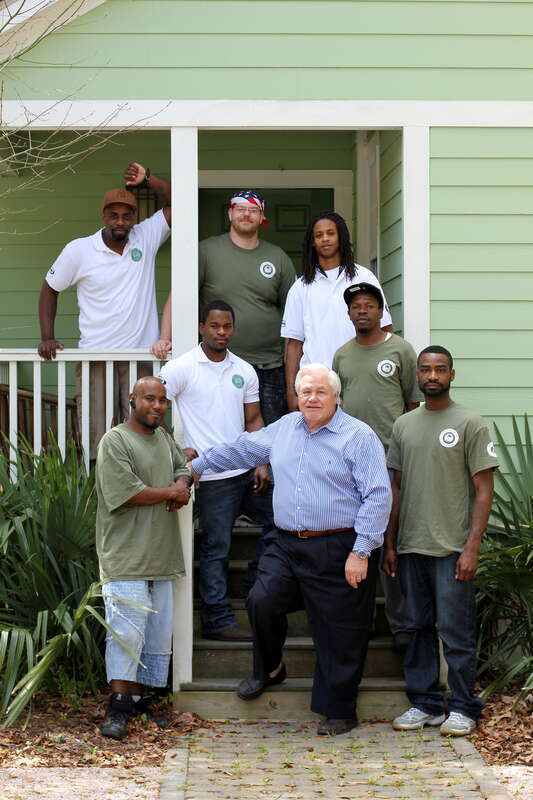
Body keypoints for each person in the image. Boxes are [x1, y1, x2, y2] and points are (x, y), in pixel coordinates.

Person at [191, 363, 392, 736]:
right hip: (285, 543)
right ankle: (270, 668)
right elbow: (242, 449)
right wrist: (196, 467)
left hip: (339, 544)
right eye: (306, 392)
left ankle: (340, 710)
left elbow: (378, 496)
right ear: (297, 396)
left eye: (320, 392)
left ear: (336, 397)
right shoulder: (285, 428)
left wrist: (361, 550)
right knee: (262, 600)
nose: (312, 398)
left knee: (338, 630)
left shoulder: (358, 436)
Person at [383, 346, 499, 736]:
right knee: (416, 629)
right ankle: (425, 704)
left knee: (456, 632)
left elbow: (484, 490)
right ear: (417, 375)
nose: (432, 376)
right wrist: (390, 543)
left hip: (452, 550)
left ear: (452, 374)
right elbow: (396, 488)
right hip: (411, 547)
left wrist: (472, 546)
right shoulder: (404, 425)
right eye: (426, 369)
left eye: (440, 369)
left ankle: (464, 707)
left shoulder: (470, 423)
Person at [158, 300, 276, 641]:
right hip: (210, 477)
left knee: (281, 520)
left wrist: (262, 461)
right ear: (202, 328)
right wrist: (174, 451)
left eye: (226, 326)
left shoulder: (245, 370)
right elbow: (151, 407)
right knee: (216, 548)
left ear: (233, 329)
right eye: (214, 326)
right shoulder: (181, 368)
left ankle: (254, 583)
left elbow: (254, 419)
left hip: (245, 469)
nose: (221, 332)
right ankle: (218, 620)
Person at [38, 162, 171, 459]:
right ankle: (97, 488)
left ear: (134, 217)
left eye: (127, 216)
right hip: (96, 357)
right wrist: (47, 336)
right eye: (114, 215)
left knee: (146, 438)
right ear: (103, 216)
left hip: (141, 357)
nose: (120, 222)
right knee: (97, 438)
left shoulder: (146, 236)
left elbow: (178, 202)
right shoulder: (79, 249)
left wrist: (148, 178)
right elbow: (49, 289)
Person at [96, 376, 192, 740]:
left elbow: (182, 468)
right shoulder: (115, 440)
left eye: (162, 400)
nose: (157, 406)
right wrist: (171, 492)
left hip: (160, 554)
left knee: (154, 635)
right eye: (149, 399)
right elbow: (127, 492)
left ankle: (137, 702)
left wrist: (182, 486)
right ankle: (118, 705)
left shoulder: (164, 438)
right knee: (125, 633)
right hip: (126, 556)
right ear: (132, 399)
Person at [152, 190, 296, 424]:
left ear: (262, 217)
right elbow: (179, 294)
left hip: (269, 366)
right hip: (218, 366)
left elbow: (294, 311)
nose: (246, 214)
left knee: (270, 435)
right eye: (241, 209)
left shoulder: (277, 257)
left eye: (253, 210)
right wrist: (164, 337)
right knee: (223, 430)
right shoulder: (207, 251)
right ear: (230, 214)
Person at [332, 282, 422, 650]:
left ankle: (402, 628)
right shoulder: (342, 356)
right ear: (349, 314)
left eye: (369, 305)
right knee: (357, 542)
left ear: (381, 311)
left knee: (390, 542)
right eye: (356, 306)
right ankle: (361, 622)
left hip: (390, 461)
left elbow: (413, 405)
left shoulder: (401, 350)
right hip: (350, 463)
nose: (362, 311)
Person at [282, 211, 393, 412]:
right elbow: (293, 344)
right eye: (319, 235)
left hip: (361, 378)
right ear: (312, 242)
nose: (325, 238)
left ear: (341, 237)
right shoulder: (300, 287)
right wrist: (291, 392)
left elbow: (385, 329)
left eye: (330, 233)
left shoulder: (364, 277)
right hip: (316, 382)